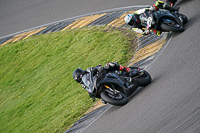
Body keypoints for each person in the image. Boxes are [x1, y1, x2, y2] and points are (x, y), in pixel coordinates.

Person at [73, 62, 138, 98]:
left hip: (103, 75)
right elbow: (89, 89)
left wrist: (99, 68)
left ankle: (128, 70)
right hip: (98, 85)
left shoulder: (88, 71)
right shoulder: (83, 84)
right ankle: (109, 96)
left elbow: (96, 68)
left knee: (109, 65)